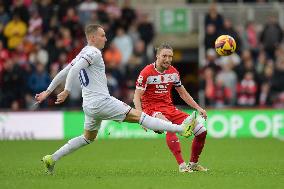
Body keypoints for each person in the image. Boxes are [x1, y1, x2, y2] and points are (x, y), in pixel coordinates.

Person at [35, 24, 196, 175]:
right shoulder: (93, 52)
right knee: (141, 117)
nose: (106, 38)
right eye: (102, 35)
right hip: (102, 101)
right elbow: (74, 69)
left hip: (89, 105)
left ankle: (52, 158)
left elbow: (65, 71)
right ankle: (182, 129)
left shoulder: (82, 52)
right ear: (92, 38)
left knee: (87, 138)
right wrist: (66, 90)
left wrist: (47, 91)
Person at [133, 43, 208, 173]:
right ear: (157, 56)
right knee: (168, 126)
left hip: (170, 109)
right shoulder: (146, 72)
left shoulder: (173, 72)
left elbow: (183, 93)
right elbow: (136, 96)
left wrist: (198, 108)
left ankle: (193, 164)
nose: (167, 59)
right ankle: (182, 165)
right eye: (164, 56)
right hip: (152, 109)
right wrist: (141, 117)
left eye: (170, 56)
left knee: (202, 131)